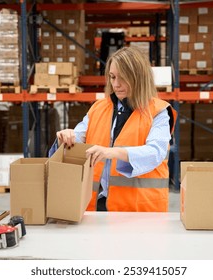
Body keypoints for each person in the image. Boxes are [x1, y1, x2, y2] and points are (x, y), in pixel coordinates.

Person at [50, 46, 176, 212]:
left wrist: (112, 152)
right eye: (112, 77)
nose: (116, 84)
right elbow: (78, 136)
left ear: (138, 77)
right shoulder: (98, 108)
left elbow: (155, 152)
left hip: (141, 211)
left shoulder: (159, 112)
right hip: (99, 207)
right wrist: (65, 138)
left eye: (122, 78)